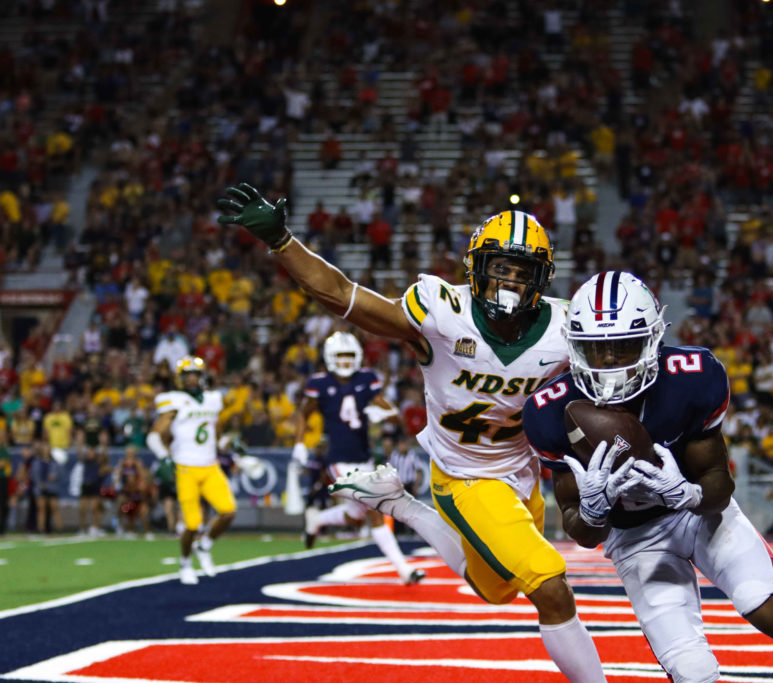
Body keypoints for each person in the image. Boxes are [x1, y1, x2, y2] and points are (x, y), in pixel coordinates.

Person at [217, 184, 607, 683]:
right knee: (550, 584)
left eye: (521, 272)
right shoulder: (442, 312)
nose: (509, 282)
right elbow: (341, 295)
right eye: (500, 267)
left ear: (541, 279)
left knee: (498, 589)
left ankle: (400, 505)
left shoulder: (565, 328)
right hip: (465, 476)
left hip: (522, 470)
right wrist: (283, 242)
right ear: (476, 267)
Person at [520, 271, 773, 683]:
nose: (607, 362)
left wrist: (688, 494)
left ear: (651, 340)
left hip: (698, 515)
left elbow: (719, 483)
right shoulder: (548, 411)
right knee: (693, 672)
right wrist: (592, 510)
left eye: (622, 346)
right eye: (595, 349)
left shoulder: (691, 379)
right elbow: (584, 533)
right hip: (635, 537)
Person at [292, 331, 424, 586]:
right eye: (340, 355)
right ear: (329, 357)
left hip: (363, 458)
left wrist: (387, 415)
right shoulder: (320, 383)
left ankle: (317, 519)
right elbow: (303, 413)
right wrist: (299, 444)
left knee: (355, 516)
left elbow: (389, 412)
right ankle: (404, 571)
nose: (344, 361)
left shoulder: (366, 379)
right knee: (374, 508)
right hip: (338, 461)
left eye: (349, 355)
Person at [147, 356, 236, 585]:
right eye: (188, 375)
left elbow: (215, 433)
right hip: (186, 467)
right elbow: (154, 435)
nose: (193, 379)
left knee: (228, 510)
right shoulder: (174, 401)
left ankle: (204, 547)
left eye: (196, 374)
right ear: (180, 378)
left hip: (210, 465)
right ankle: (185, 562)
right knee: (191, 524)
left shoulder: (212, 399)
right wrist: (164, 457)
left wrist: (231, 446)